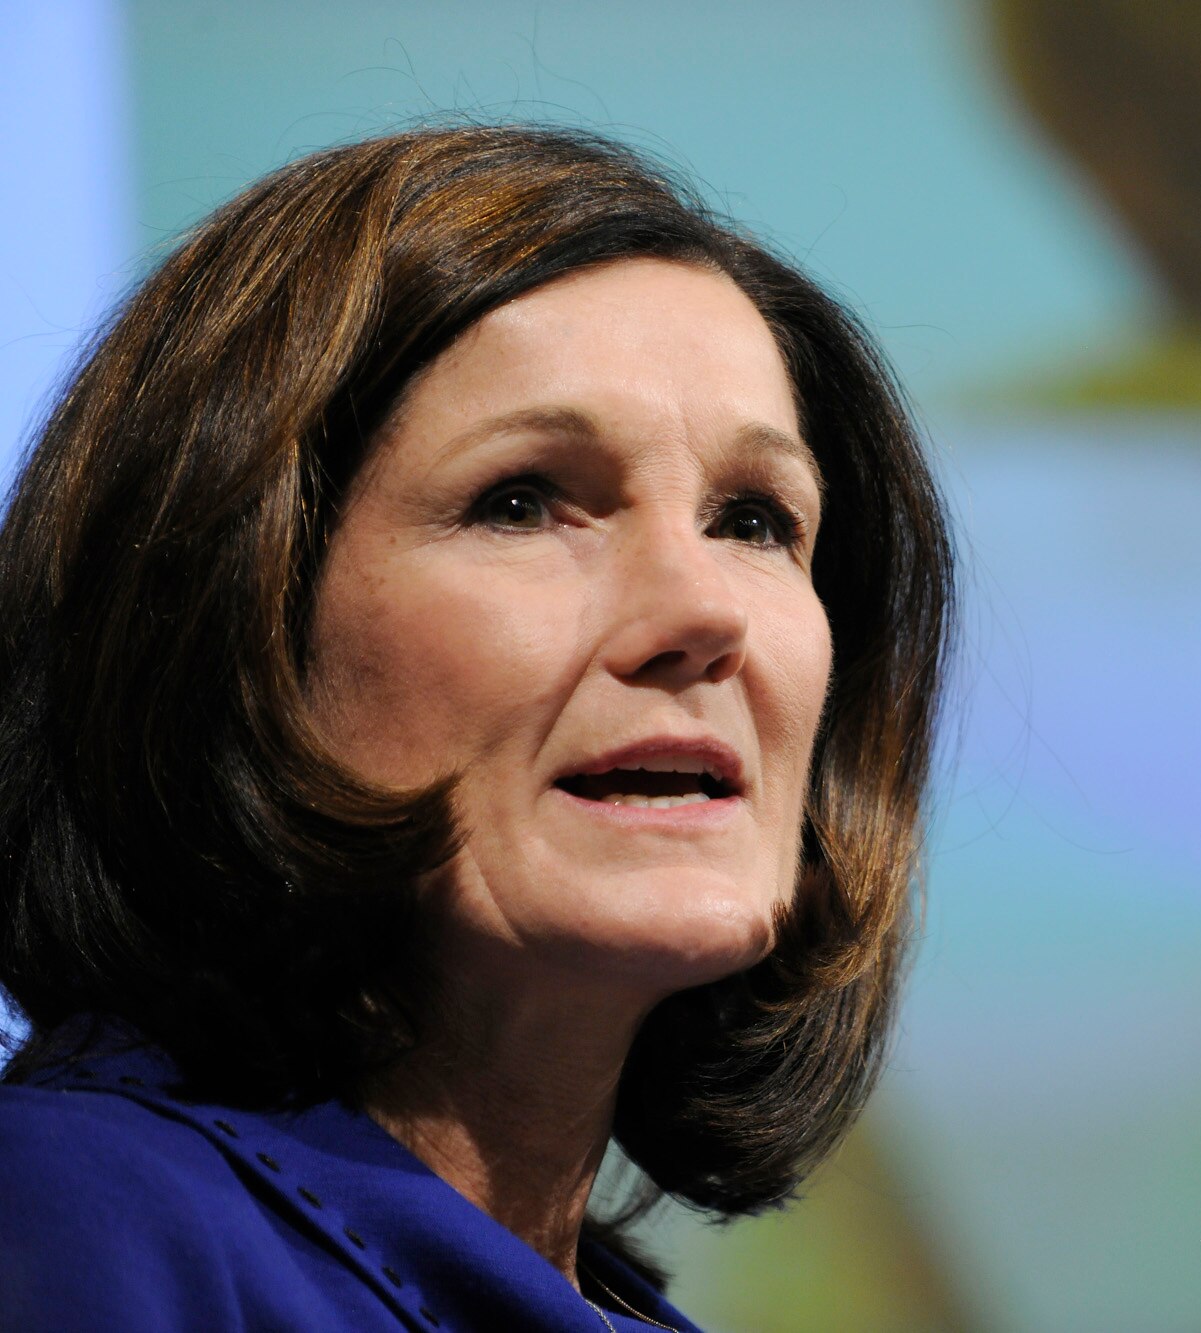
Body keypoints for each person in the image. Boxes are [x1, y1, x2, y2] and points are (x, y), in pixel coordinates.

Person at [0, 124, 952, 1332]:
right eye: (520, 501)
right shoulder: (71, 1223)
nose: (707, 610)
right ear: (231, 621)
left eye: (756, 521)